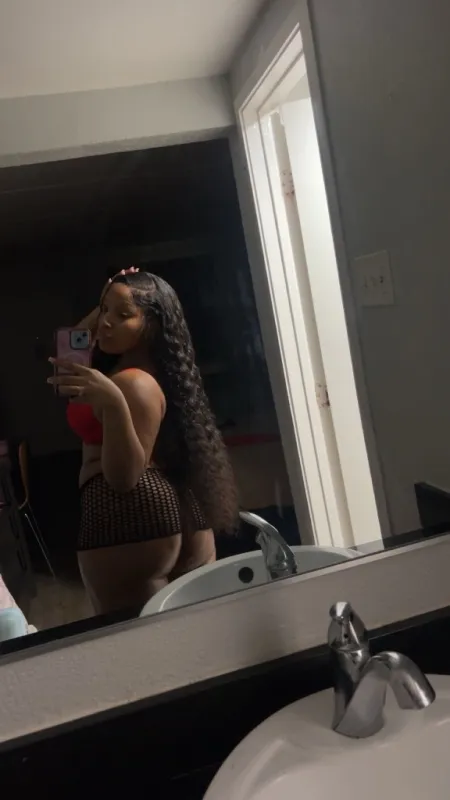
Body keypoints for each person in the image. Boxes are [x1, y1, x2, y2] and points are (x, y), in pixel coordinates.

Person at [48, 268, 238, 614]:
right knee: (198, 625)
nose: (106, 322)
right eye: (105, 311)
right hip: (176, 507)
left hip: (129, 513)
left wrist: (113, 403)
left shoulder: (131, 384)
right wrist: (107, 299)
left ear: (152, 325)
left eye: (123, 315)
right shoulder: (154, 374)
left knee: (138, 636)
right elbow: (67, 360)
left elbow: (124, 478)